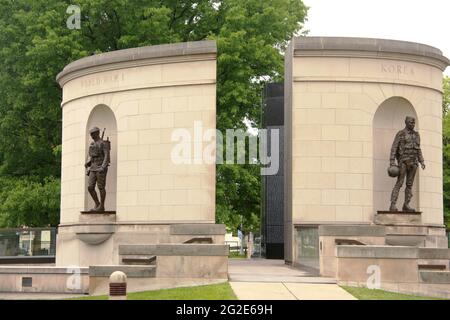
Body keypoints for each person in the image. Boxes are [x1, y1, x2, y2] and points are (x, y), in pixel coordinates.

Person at [389, 116, 425, 212]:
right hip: (403, 161)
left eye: (413, 123)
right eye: (410, 123)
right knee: (399, 183)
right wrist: (392, 162)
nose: (412, 124)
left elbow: (418, 149)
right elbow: (394, 148)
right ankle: (393, 204)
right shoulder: (400, 134)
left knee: (409, 185)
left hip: (414, 162)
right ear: (406, 122)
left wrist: (422, 161)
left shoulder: (417, 135)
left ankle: (406, 204)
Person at [85, 127, 110, 212]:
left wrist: (103, 167)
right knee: (90, 187)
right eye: (91, 134)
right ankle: (97, 203)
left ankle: (102, 206)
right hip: (93, 167)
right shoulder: (92, 144)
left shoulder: (103, 143)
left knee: (101, 187)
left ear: (97, 133)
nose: (92, 136)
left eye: (93, 134)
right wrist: (87, 163)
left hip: (100, 168)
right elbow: (91, 156)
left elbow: (107, 156)